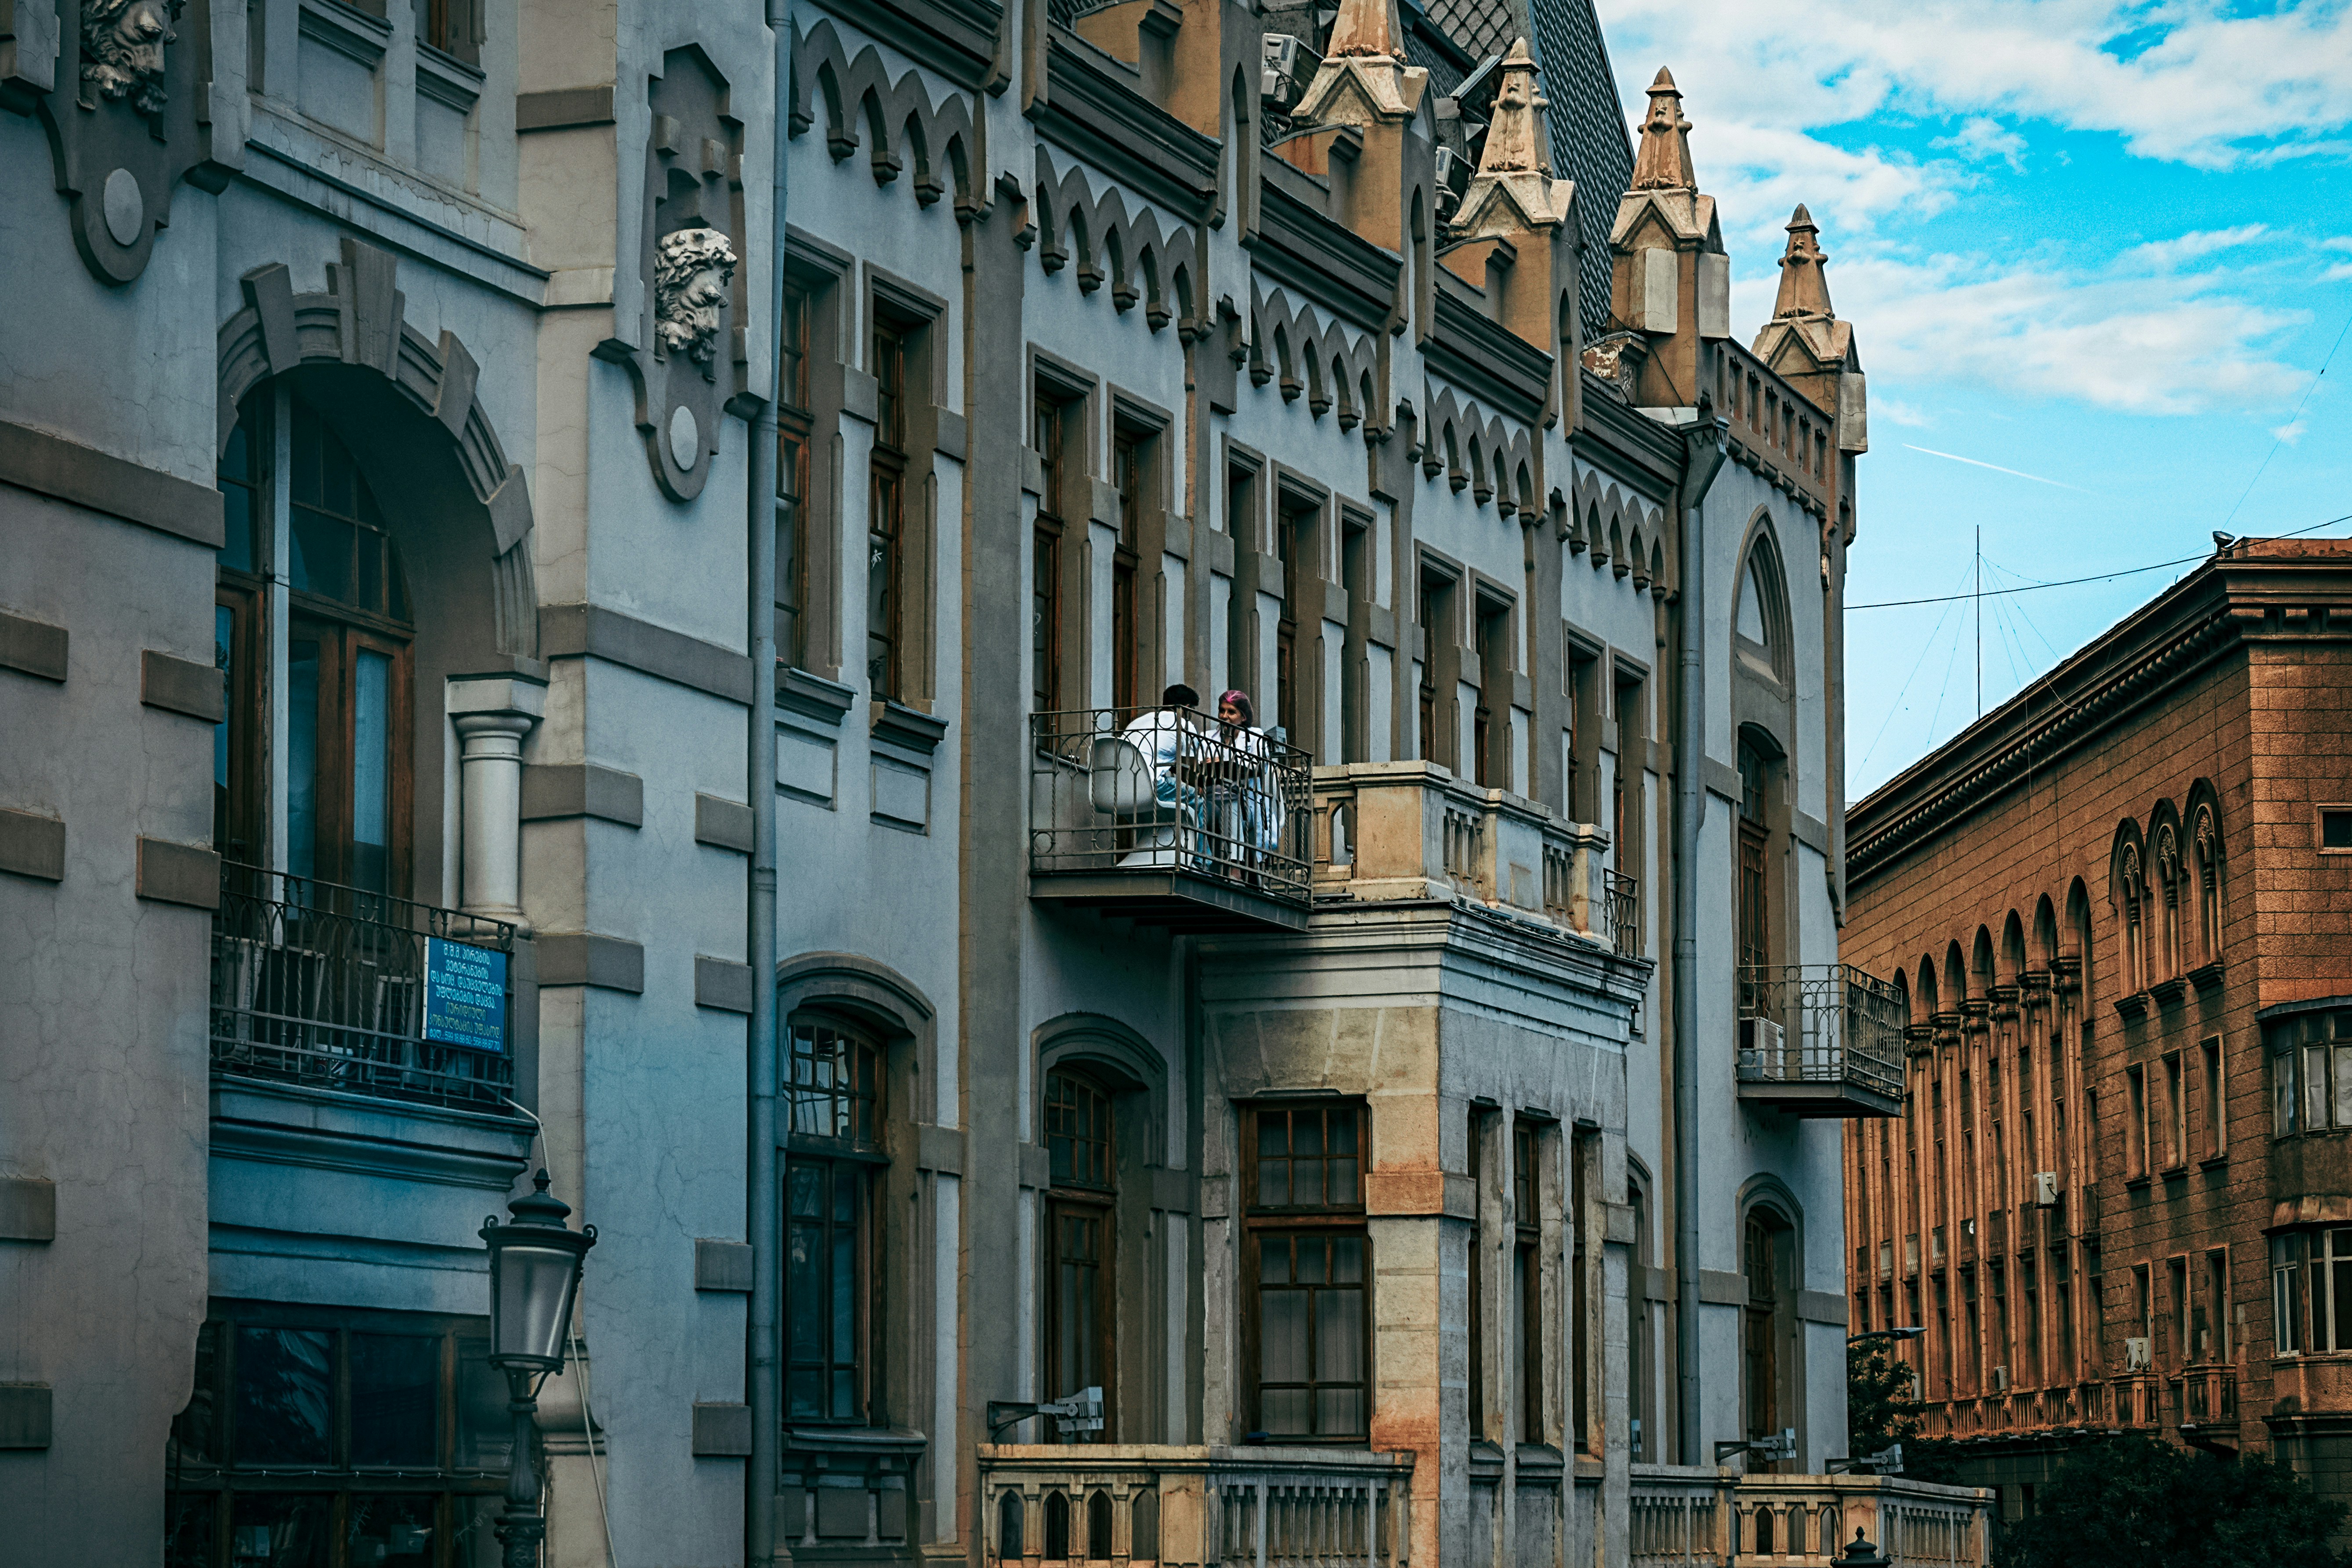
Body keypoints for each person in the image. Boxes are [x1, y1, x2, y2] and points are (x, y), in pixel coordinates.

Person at [1118, 685, 1208, 867]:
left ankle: (1161, 850)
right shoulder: (1183, 724)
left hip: (1116, 787)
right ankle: (1200, 862)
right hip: (1149, 785)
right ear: (1187, 708)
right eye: (1191, 711)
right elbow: (1190, 766)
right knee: (1197, 800)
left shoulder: (1140, 721)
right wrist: (1198, 786)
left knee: (1175, 793)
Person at [1212, 690, 1274, 875]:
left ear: (1243, 717)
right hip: (1212, 796)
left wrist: (1223, 763)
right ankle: (1199, 864)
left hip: (1248, 798)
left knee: (1232, 804)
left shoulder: (1255, 736)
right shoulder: (1208, 736)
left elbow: (1258, 768)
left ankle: (1235, 869)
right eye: (1222, 711)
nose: (1225, 716)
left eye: (1232, 712)